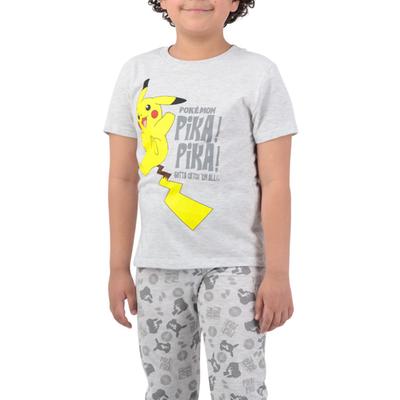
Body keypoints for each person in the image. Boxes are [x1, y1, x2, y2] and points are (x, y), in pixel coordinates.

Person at [104, 1, 298, 399]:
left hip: (236, 265)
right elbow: (122, 178)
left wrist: (278, 273)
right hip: (159, 265)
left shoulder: (258, 74)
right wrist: (117, 267)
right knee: (167, 390)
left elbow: (276, 182)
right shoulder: (137, 73)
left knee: (240, 390)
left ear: (235, 2)